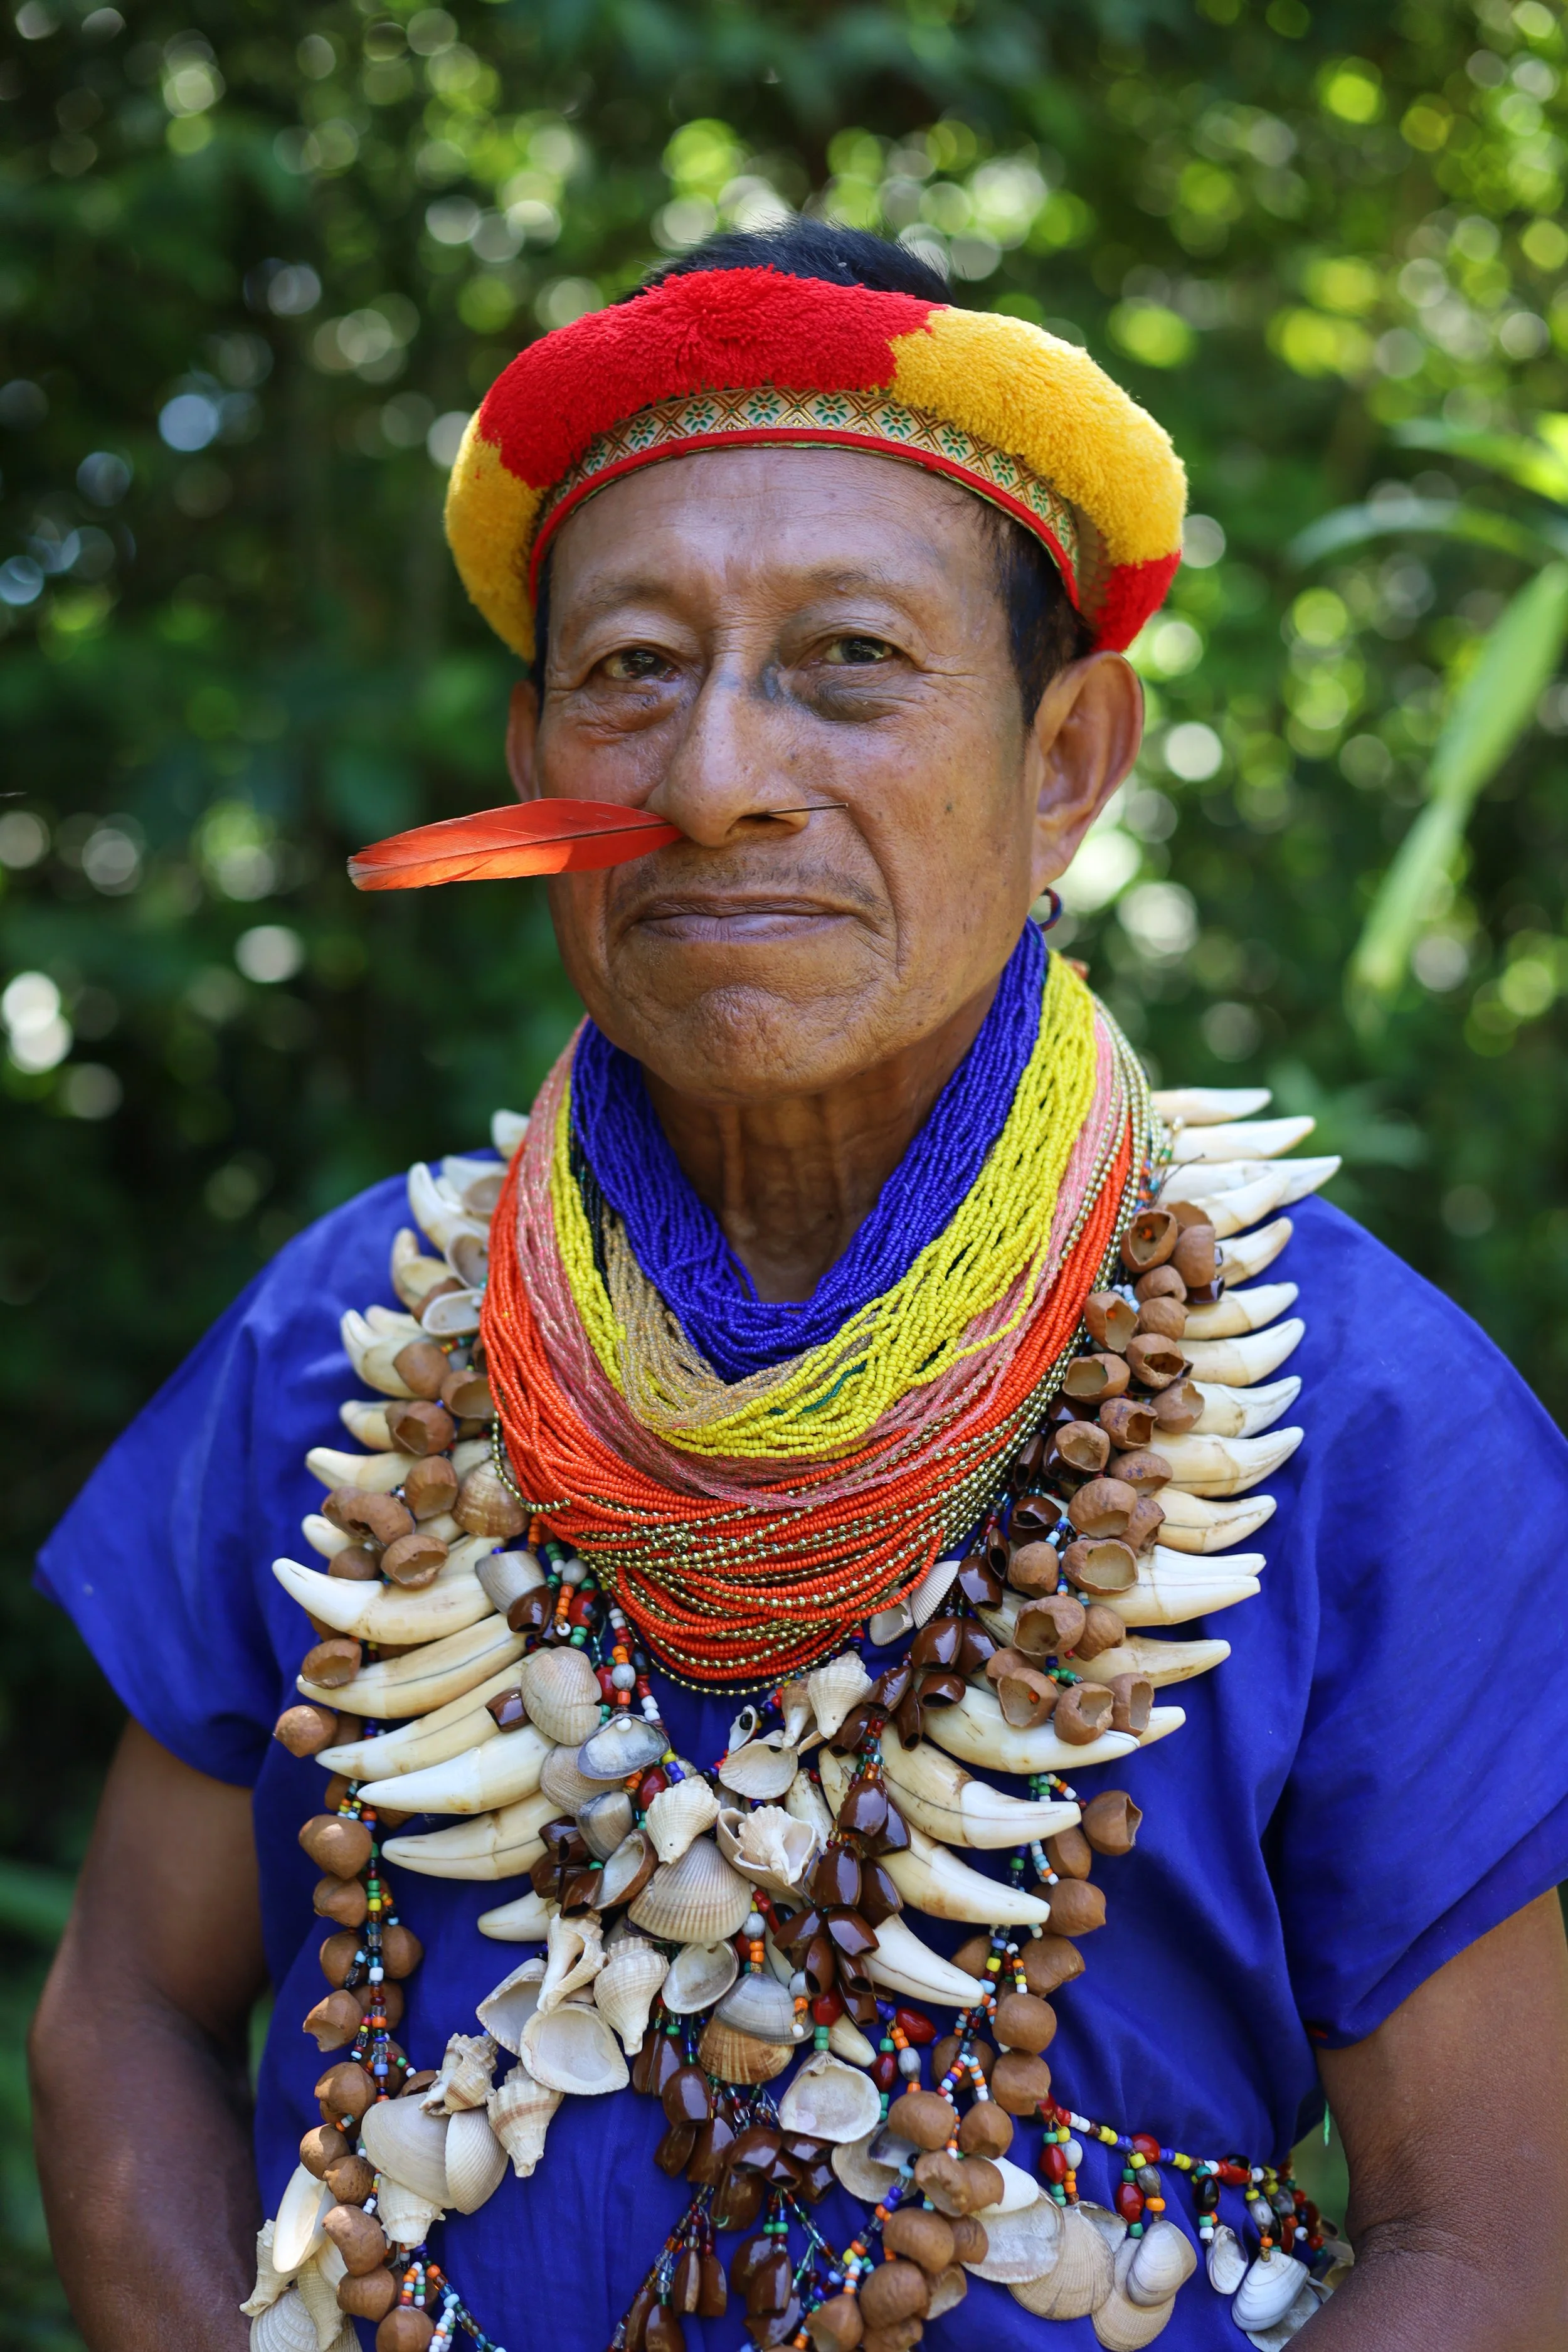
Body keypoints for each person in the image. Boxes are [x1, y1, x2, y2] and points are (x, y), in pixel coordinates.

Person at [28, 222, 1568, 2352]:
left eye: (848, 659)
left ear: (1066, 764)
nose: (716, 774)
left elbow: (1499, 2239)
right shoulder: (338, 1342)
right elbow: (118, 2005)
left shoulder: (1358, 1412)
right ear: (536, 753)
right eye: (633, 667)